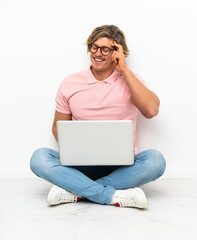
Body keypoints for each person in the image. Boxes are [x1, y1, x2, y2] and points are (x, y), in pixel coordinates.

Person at [30, 25, 166, 209]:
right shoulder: (70, 83)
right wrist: (76, 148)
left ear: (118, 52)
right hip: (80, 165)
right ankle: (110, 195)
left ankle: (75, 190)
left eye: (105, 49)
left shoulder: (131, 80)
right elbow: (57, 127)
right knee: (39, 158)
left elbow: (151, 111)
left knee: (155, 161)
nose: (97, 53)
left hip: (121, 165)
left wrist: (125, 71)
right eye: (94, 47)